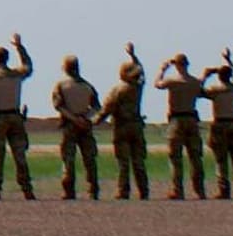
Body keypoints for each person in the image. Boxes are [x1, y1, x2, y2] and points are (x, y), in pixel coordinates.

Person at [0, 36, 35, 201]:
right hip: (16, 117)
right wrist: (20, 47)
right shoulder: (16, 75)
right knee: (20, 155)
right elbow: (28, 66)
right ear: (7, 58)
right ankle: (27, 189)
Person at [50, 53, 102, 201]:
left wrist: (74, 118)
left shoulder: (61, 86)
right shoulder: (88, 86)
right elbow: (97, 107)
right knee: (90, 160)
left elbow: (58, 106)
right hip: (85, 125)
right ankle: (93, 190)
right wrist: (85, 118)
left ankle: (69, 191)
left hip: (69, 125)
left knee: (68, 160)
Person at [155, 52, 205, 201]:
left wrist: (162, 70)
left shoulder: (173, 81)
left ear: (176, 65)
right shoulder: (195, 82)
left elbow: (157, 84)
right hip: (192, 119)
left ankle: (178, 190)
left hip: (177, 120)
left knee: (175, 157)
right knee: (195, 157)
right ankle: (199, 190)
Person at [105, 48, 151, 201]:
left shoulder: (118, 90)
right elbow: (142, 73)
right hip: (136, 126)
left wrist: (94, 121)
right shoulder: (137, 88)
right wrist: (134, 56)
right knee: (139, 161)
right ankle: (144, 190)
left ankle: (123, 191)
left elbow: (108, 108)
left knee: (123, 162)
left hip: (122, 127)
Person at [204, 46, 233, 202]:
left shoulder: (215, 89)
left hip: (219, 124)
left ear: (219, 77)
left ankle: (224, 189)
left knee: (220, 160)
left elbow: (198, 91)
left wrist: (205, 75)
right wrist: (229, 60)